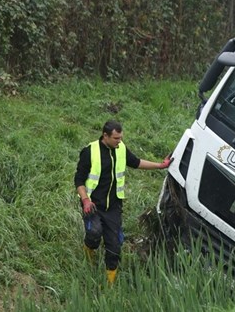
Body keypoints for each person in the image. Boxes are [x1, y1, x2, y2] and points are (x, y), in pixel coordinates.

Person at [74, 120, 172, 285]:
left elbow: (137, 162)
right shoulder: (89, 151)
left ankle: (109, 285)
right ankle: (88, 255)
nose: (119, 141)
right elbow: (79, 179)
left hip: (113, 207)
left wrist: (161, 165)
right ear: (105, 135)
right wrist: (85, 200)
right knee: (94, 234)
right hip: (93, 204)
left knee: (114, 246)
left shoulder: (121, 149)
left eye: (120, 138)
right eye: (116, 138)